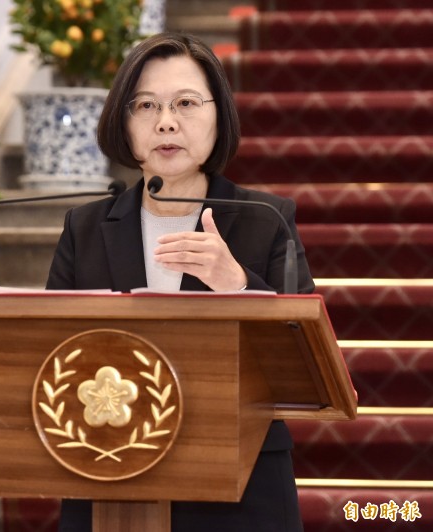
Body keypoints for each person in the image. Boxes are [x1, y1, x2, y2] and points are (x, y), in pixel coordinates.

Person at [47, 32, 313, 532]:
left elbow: (303, 360)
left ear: (219, 116)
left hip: (240, 481)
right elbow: (48, 356)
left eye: (186, 103)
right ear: (122, 123)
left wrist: (236, 284)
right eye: (145, 105)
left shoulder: (266, 219)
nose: (166, 121)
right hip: (107, 473)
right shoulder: (84, 228)